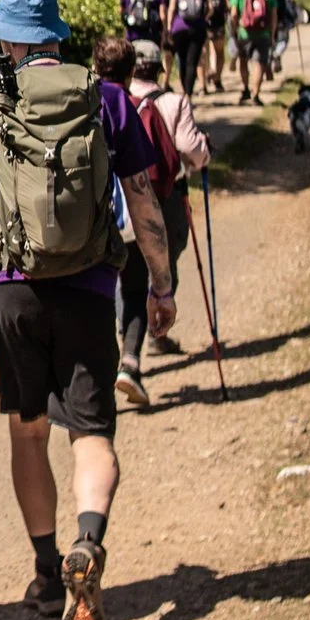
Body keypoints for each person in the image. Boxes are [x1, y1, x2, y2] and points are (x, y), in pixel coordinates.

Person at [0, 0, 176, 620]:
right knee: (93, 433)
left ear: (9, 41)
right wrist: (160, 284)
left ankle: (48, 573)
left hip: (12, 290)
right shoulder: (106, 99)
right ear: (55, 34)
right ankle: (89, 540)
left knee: (28, 432)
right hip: (89, 285)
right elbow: (142, 200)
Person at [111, 39, 209, 401]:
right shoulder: (173, 102)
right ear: (159, 68)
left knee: (129, 277)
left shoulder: (115, 101)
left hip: (122, 199)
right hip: (165, 197)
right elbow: (191, 150)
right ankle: (155, 321)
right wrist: (205, 152)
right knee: (163, 264)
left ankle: (130, 347)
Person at [228, 0, 277, 106]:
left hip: (244, 33)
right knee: (258, 63)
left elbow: (234, 14)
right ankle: (256, 92)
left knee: (244, 61)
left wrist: (235, 30)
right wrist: (272, 33)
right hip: (263, 33)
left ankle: (246, 88)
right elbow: (273, 16)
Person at [164, 0, 214, 97]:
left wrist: (169, 27)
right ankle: (188, 93)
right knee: (193, 61)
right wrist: (204, 18)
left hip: (179, 28)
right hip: (197, 29)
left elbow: (172, 8)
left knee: (182, 60)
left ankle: (184, 90)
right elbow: (211, 8)